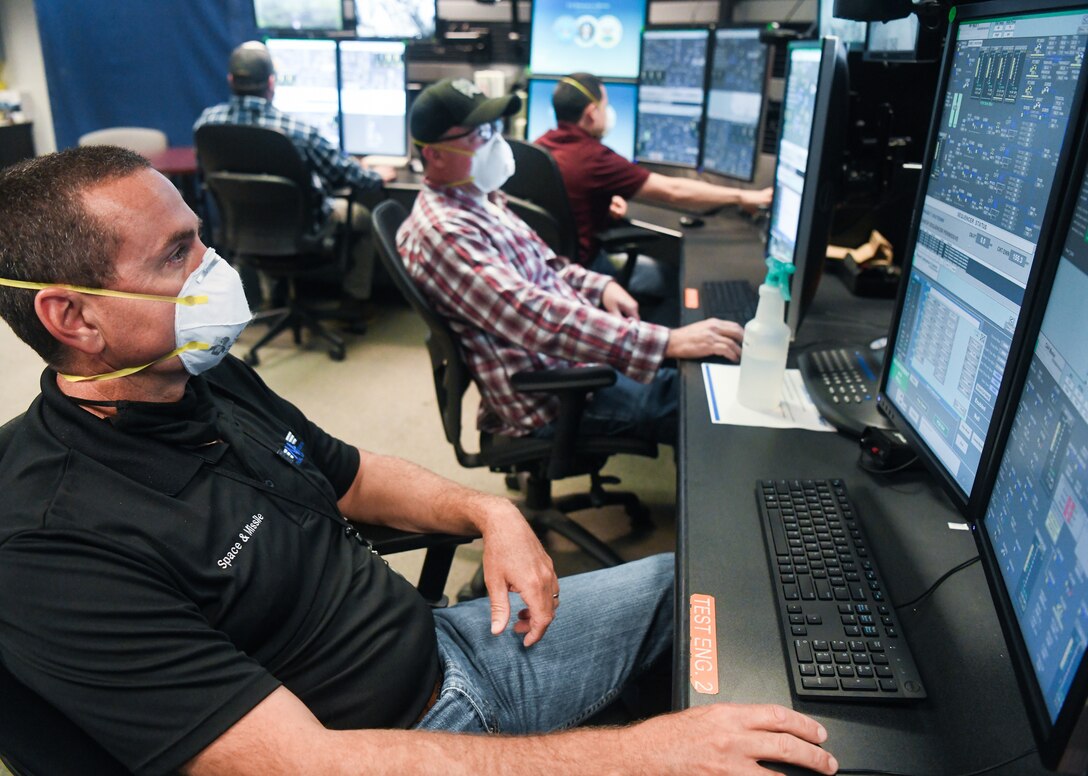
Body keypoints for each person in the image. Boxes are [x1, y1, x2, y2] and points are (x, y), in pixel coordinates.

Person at [0, 146, 838, 776]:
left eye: (200, 237)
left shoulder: (203, 381)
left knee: (695, 593)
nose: (215, 268)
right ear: (74, 317)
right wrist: (641, 754)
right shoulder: (53, 548)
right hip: (395, 745)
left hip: (455, 645)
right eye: (176, 253)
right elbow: (306, 765)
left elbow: (353, 474)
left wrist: (492, 513)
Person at [397, 78, 747, 447]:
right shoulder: (445, 232)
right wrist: (667, 342)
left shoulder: (478, 197)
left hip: (574, 357)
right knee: (706, 403)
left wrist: (602, 285)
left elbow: (548, 264)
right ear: (433, 154)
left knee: (705, 369)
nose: (495, 141)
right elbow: (534, 316)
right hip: (555, 395)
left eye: (495, 128)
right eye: (478, 134)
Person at [193, 40, 396, 323]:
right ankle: (355, 302)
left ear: (231, 80)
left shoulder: (206, 124)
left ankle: (270, 300)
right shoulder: (298, 130)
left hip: (243, 232)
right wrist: (376, 175)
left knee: (259, 209)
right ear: (271, 83)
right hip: (304, 234)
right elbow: (346, 175)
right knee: (363, 218)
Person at [536, 73, 774, 267]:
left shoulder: (541, 146)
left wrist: (601, 202)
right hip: (585, 269)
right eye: (604, 106)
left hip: (550, 264)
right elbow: (674, 191)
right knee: (661, 277)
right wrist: (742, 197)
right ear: (591, 113)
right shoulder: (595, 158)